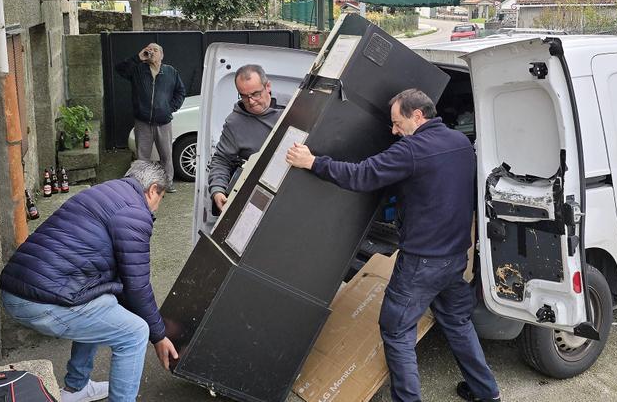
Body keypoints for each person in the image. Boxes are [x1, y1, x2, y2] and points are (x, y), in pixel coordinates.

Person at [286, 89, 500, 402]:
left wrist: (313, 162)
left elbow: (362, 176)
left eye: (398, 123)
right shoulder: (460, 142)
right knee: (457, 322)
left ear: (418, 115)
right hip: (455, 256)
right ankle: (487, 392)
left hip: (421, 263)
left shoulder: (411, 150)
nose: (394, 131)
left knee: (397, 331)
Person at [0, 161, 179, 402]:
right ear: (153, 189)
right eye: (161, 197)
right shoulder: (135, 212)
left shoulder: (108, 192)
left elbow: (123, 280)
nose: (157, 207)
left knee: (103, 303)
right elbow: (137, 285)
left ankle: (77, 388)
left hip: (25, 288)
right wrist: (158, 335)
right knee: (134, 333)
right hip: (36, 300)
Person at [209, 64, 283, 211]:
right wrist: (217, 190)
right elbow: (222, 160)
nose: (251, 101)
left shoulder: (291, 107)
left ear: (267, 86)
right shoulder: (234, 123)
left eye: (255, 94)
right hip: (257, 196)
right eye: (244, 96)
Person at [116, 43, 186, 192]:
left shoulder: (170, 72)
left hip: (163, 122)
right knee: (142, 157)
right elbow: (120, 69)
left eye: (155, 50)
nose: (151, 52)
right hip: (143, 122)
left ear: (162, 55)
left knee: (166, 155)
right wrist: (137, 58)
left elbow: (180, 92)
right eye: (149, 49)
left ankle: (167, 183)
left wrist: (170, 109)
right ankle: (142, 184)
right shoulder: (138, 70)